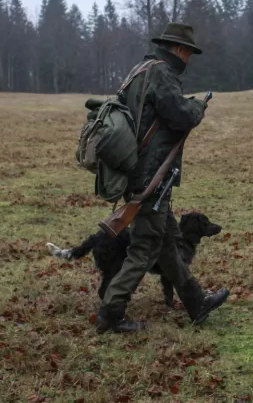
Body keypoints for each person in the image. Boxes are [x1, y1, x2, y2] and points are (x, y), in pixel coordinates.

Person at [95, 22, 229, 334]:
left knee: (168, 243)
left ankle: (196, 302)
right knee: (144, 248)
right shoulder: (162, 73)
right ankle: (111, 313)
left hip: (139, 171)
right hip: (151, 176)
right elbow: (182, 116)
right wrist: (197, 106)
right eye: (189, 53)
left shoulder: (140, 70)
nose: (189, 59)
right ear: (179, 50)